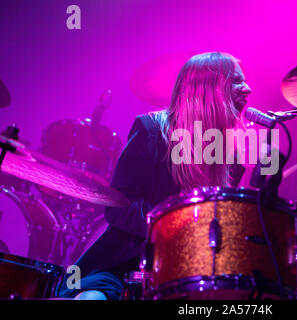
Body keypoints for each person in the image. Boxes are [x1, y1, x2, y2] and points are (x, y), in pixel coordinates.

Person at [57, 52, 251, 300]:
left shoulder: (231, 153)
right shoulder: (151, 131)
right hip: (123, 265)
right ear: (207, 87)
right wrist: (174, 232)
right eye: (236, 81)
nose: (248, 89)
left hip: (187, 276)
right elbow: (118, 207)